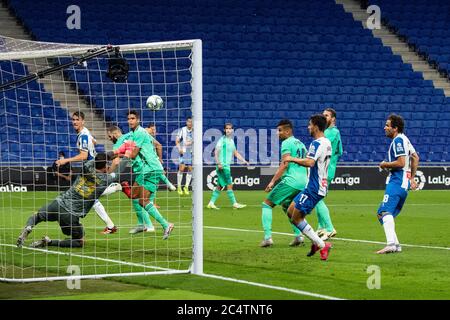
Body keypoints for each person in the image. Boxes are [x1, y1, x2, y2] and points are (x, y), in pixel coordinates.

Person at [16, 153, 128, 248]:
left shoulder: (86, 167)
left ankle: (28, 227)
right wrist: (127, 156)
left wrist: (114, 153)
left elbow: (98, 159)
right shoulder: (105, 180)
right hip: (70, 214)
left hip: (58, 203)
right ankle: (49, 242)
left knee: (37, 216)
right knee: (80, 240)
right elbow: (118, 172)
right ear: (105, 166)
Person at [55, 111, 118, 234]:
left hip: (90, 169)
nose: (74, 122)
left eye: (77, 120)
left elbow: (84, 155)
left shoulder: (83, 136)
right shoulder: (85, 133)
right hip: (91, 167)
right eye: (73, 120)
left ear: (82, 121)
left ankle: (116, 187)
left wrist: (65, 161)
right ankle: (110, 225)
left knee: (89, 196)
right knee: (92, 197)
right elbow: (94, 141)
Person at [285, 114, 333, 261]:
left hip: (314, 187)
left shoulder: (317, 143)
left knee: (296, 218)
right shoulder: (327, 142)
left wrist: (292, 159)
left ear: (316, 127)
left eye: (310, 125)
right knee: (290, 211)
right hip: (316, 185)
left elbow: (310, 162)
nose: (308, 127)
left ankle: (321, 244)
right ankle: (316, 241)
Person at [120, 110, 174, 239]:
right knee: (134, 195)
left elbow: (133, 155)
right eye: (128, 119)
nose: (130, 121)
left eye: (132, 118)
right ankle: (144, 224)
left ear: (138, 119)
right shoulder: (139, 133)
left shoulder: (139, 133)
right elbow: (157, 145)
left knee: (143, 201)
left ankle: (165, 224)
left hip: (150, 169)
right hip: (148, 169)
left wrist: (119, 151)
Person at [260, 119, 307, 247]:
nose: (278, 133)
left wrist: (273, 181)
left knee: (267, 204)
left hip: (291, 181)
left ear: (288, 131)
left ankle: (267, 238)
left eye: (280, 130)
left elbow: (285, 164)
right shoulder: (301, 144)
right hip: (303, 182)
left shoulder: (286, 143)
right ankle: (299, 236)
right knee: (287, 207)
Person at [376, 114, 419, 254]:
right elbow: (415, 157)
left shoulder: (399, 140)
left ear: (395, 128)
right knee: (382, 213)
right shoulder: (405, 139)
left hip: (397, 180)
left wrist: (384, 164)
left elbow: (401, 162)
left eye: (387, 125)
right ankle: (397, 245)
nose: (385, 128)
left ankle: (391, 244)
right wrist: (412, 178)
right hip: (403, 184)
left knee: (384, 211)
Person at [107, 125, 155, 234]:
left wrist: (108, 175)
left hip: (139, 170)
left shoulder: (119, 142)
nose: (109, 139)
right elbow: (155, 142)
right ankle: (145, 224)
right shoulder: (131, 134)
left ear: (115, 134)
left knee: (138, 199)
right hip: (149, 167)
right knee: (140, 199)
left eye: (110, 136)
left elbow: (116, 162)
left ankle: (150, 225)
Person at [315, 108, 343, 240]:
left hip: (325, 170)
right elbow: (340, 151)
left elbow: (324, 147)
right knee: (319, 197)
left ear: (333, 119)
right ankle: (321, 227)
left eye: (326, 115)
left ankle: (330, 228)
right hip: (328, 169)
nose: (324, 117)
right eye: (323, 115)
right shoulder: (335, 132)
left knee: (317, 198)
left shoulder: (330, 132)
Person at [207, 123, 248, 210]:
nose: (228, 130)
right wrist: (218, 163)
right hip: (223, 166)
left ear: (232, 130)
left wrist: (243, 160)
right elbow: (216, 152)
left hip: (226, 166)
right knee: (229, 184)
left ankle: (211, 203)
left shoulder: (231, 141)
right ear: (224, 130)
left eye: (230, 128)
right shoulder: (222, 140)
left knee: (220, 186)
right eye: (227, 128)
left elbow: (235, 153)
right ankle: (234, 203)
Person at [146, 123, 176, 208]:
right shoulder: (144, 134)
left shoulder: (149, 137)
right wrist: (160, 158)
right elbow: (159, 146)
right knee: (158, 175)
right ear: (148, 129)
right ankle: (168, 184)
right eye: (152, 129)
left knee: (155, 181)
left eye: (155, 129)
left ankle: (151, 202)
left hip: (151, 161)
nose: (154, 131)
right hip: (149, 162)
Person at [176, 117, 193, 195]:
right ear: (186, 122)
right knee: (181, 168)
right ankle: (179, 187)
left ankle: (186, 187)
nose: (190, 123)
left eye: (191, 122)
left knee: (190, 169)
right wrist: (179, 149)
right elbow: (177, 140)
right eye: (189, 121)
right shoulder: (182, 129)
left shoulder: (195, 130)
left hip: (192, 152)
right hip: (184, 152)